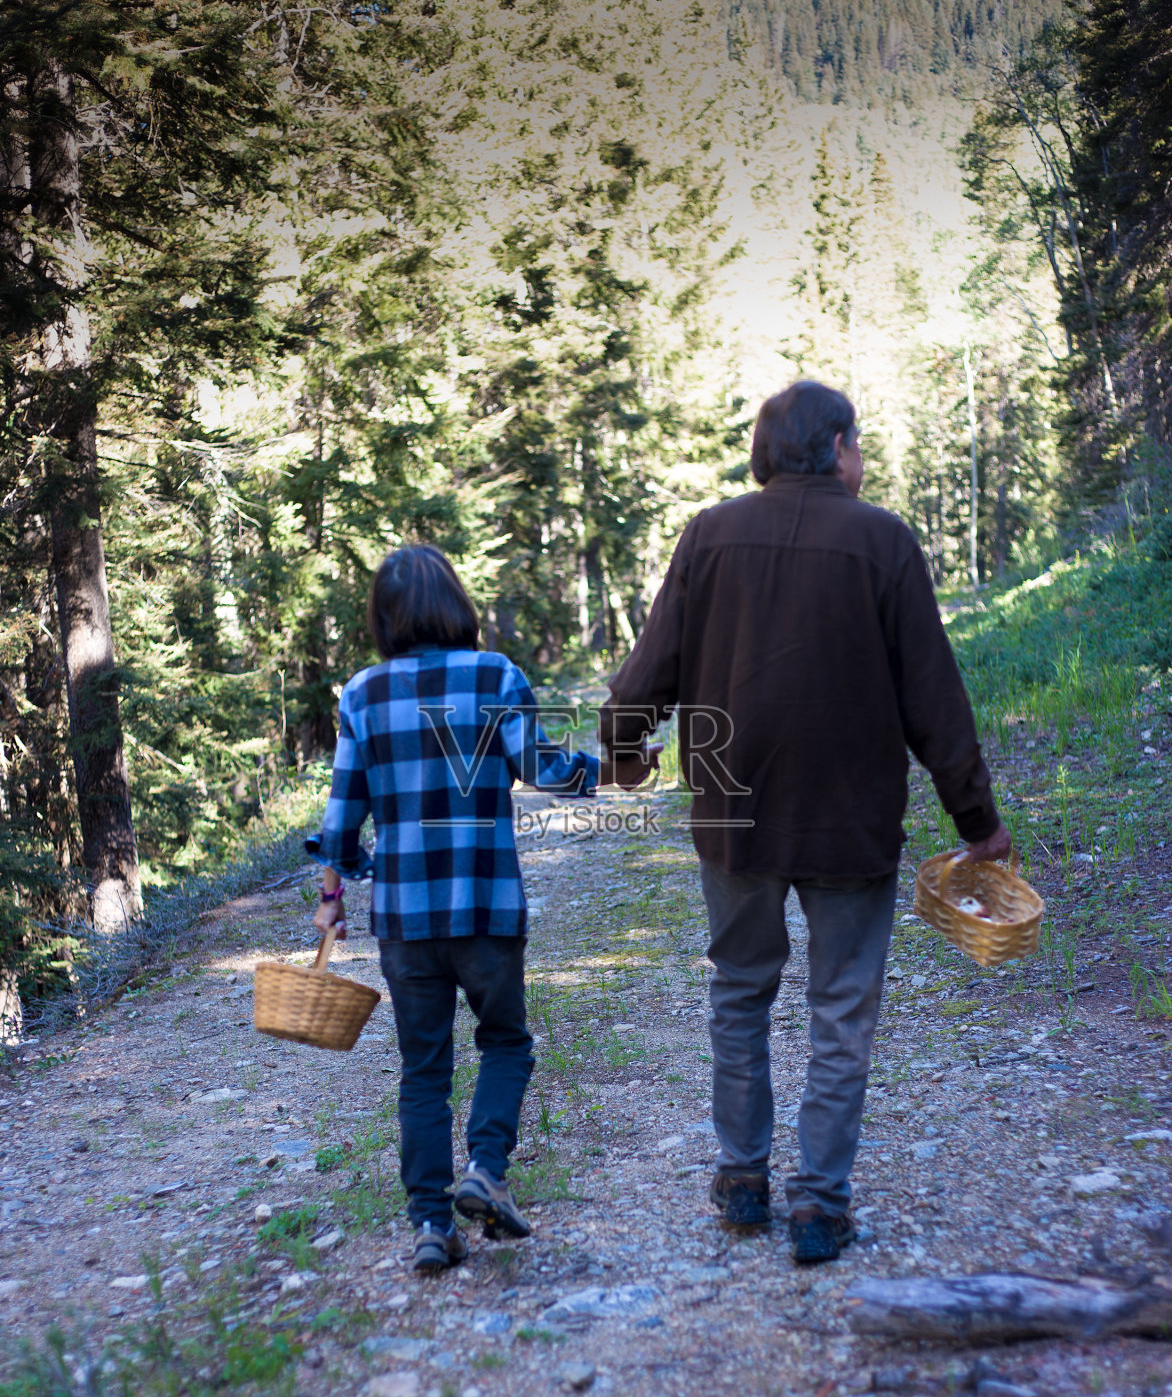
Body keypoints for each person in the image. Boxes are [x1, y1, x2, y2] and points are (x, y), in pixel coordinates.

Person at [600, 380, 1011, 1265]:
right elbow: (934, 697)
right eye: (858, 444)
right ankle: (820, 1205)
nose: (862, 459)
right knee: (842, 1008)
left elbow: (648, 669)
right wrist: (977, 820)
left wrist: (623, 750)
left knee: (740, 991)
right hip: (848, 818)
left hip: (733, 813)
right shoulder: (883, 540)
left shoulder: (709, 535)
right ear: (834, 449)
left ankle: (743, 1180)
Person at [309, 545, 603, 1274]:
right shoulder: (494, 676)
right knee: (505, 1042)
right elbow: (542, 769)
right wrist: (604, 769)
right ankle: (486, 1171)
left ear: (383, 618)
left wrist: (333, 895)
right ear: (457, 606)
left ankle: (431, 1227)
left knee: (423, 1071)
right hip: (486, 906)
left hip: (405, 919)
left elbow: (342, 819)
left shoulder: (362, 694)